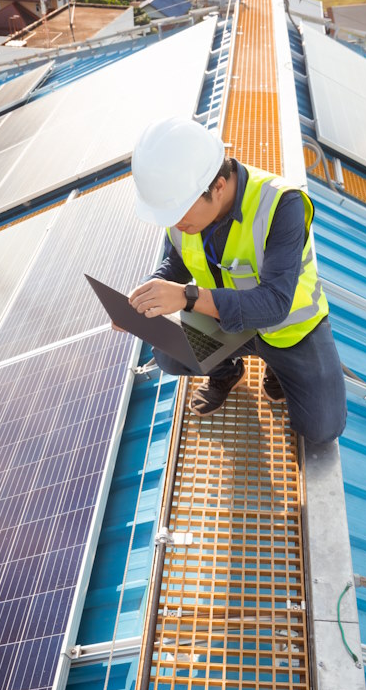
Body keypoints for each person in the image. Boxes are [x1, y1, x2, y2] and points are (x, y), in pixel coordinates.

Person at [127, 116, 346, 444]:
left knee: (322, 430)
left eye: (180, 213)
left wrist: (187, 297)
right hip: (228, 322)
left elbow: (275, 303)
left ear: (217, 187)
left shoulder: (280, 204)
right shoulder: (182, 212)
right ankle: (227, 372)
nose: (175, 223)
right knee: (167, 351)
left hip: (288, 330)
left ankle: (277, 368)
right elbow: (177, 262)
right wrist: (147, 292)